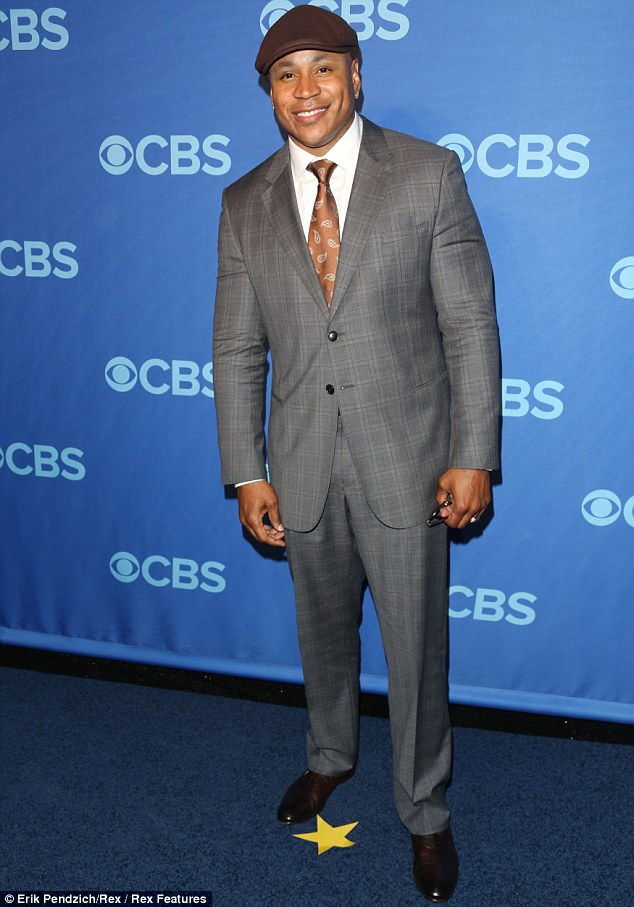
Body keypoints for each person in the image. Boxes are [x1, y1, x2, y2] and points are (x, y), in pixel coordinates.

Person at [213, 6, 500, 902]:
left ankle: (424, 807)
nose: (305, 90)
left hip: (409, 460)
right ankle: (330, 754)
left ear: (356, 76)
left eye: (323, 69)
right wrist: (247, 468)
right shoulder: (243, 200)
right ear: (270, 93)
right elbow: (237, 348)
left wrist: (474, 454)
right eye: (285, 74)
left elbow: (470, 325)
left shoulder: (428, 173)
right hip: (300, 463)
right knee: (322, 634)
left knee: (416, 649)